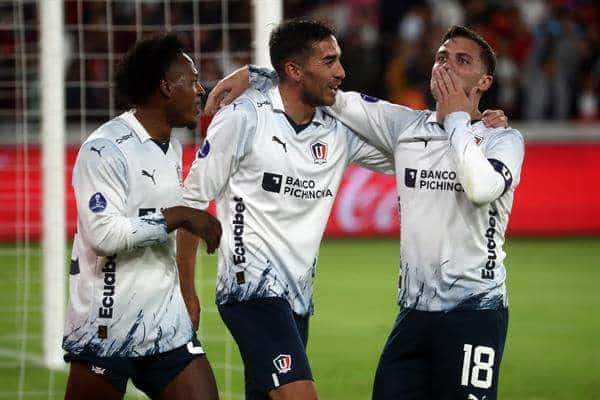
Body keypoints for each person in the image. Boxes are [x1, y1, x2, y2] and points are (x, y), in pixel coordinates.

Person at [207, 25, 523, 400]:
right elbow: (333, 96)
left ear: (484, 81)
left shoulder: (502, 140)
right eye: (442, 57)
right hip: (414, 316)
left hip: (475, 312)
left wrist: (458, 120)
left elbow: (481, 187)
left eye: (462, 60)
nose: (447, 65)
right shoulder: (405, 128)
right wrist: (259, 74)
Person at [176, 20, 395, 400]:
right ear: (294, 70)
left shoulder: (338, 128)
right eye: (329, 62)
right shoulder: (244, 119)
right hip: (250, 291)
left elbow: (405, 154)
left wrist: (472, 129)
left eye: (339, 60)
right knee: (299, 394)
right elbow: (191, 204)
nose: (341, 72)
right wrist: (186, 291)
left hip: (297, 296)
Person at [63, 34, 222, 400]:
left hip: (165, 324)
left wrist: (186, 290)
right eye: (191, 79)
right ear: (166, 87)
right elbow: (104, 235)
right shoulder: (104, 149)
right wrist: (180, 215)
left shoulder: (172, 146)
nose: (200, 89)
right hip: (106, 328)